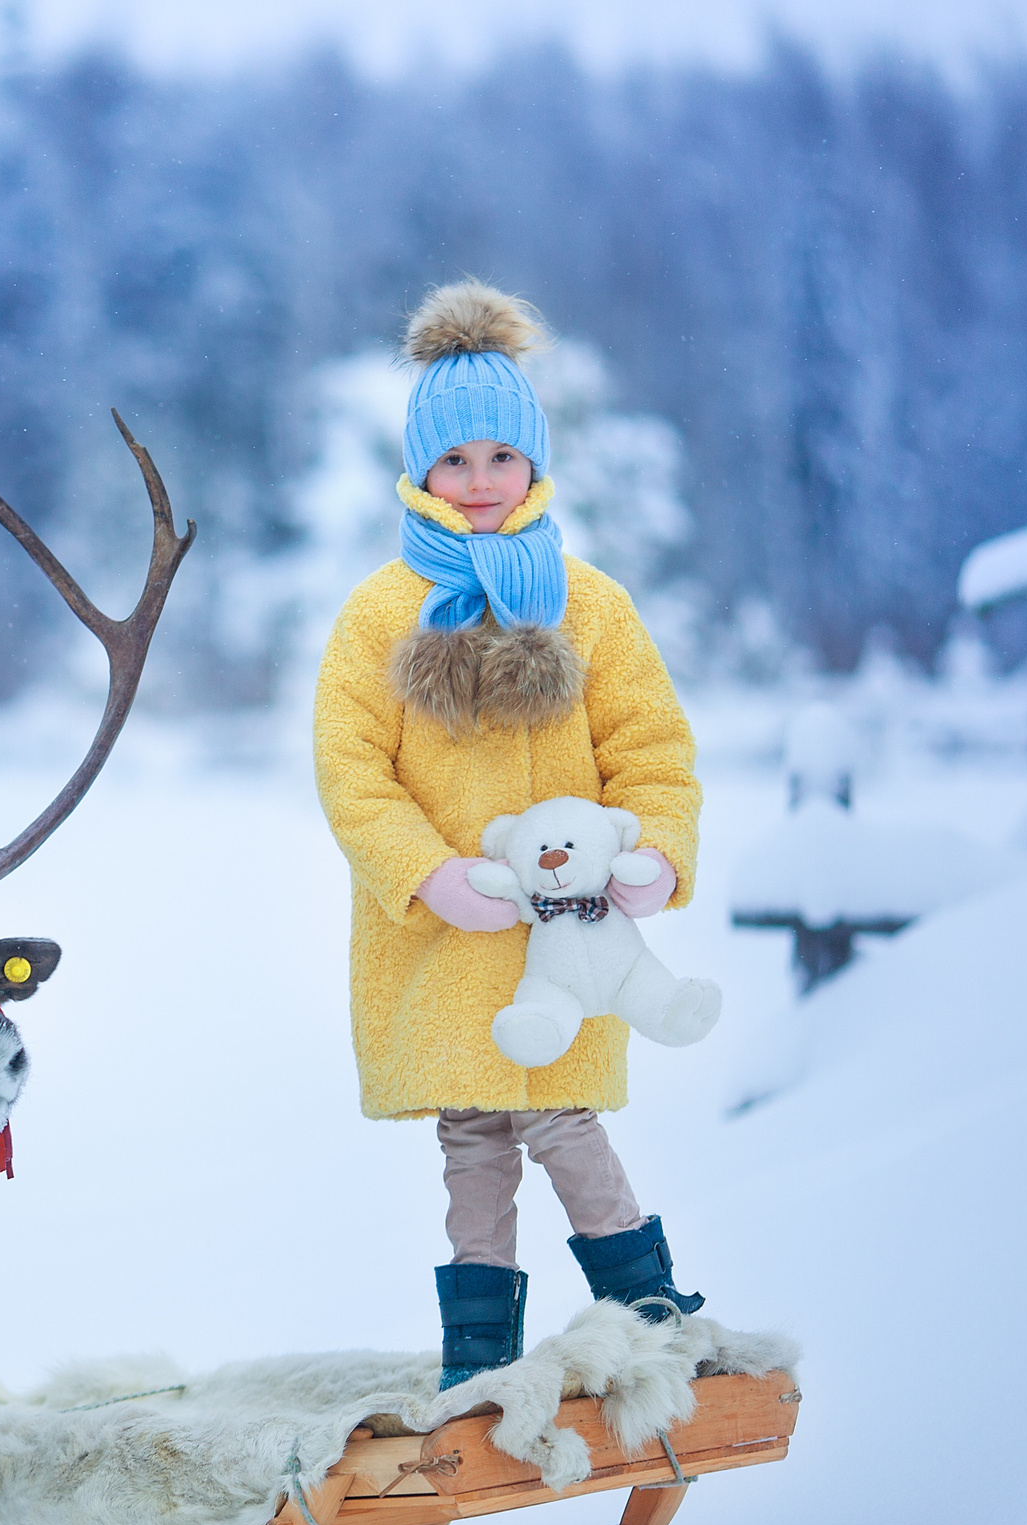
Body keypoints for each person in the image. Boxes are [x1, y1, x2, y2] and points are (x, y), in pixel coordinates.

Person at [312, 281, 708, 1388]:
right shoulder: (382, 614)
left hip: (566, 939)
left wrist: (656, 853)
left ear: (534, 465)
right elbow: (352, 770)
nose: (479, 483)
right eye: (454, 463)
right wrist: (424, 875)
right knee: (474, 1137)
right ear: (419, 475)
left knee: (562, 1117)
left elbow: (652, 748)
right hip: (445, 943)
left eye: (500, 458)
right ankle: (478, 1350)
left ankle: (649, 1312)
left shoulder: (589, 607)